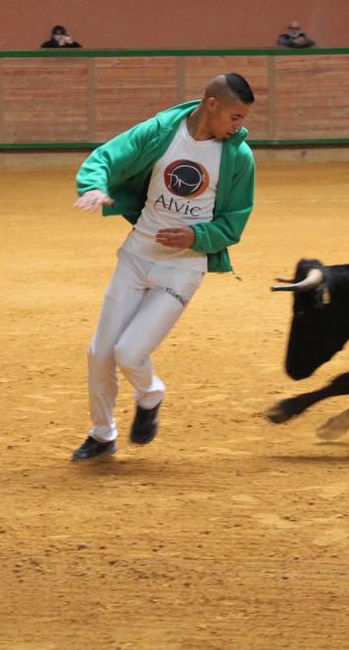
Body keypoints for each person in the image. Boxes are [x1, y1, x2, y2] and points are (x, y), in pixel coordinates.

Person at [70, 73, 257, 462]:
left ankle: (151, 393)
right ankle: (102, 434)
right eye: (234, 117)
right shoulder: (161, 131)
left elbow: (233, 223)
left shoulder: (238, 157)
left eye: (242, 119)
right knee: (100, 352)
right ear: (211, 105)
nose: (240, 126)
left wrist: (196, 238)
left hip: (183, 268)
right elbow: (107, 157)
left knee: (130, 352)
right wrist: (93, 185)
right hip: (137, 257)